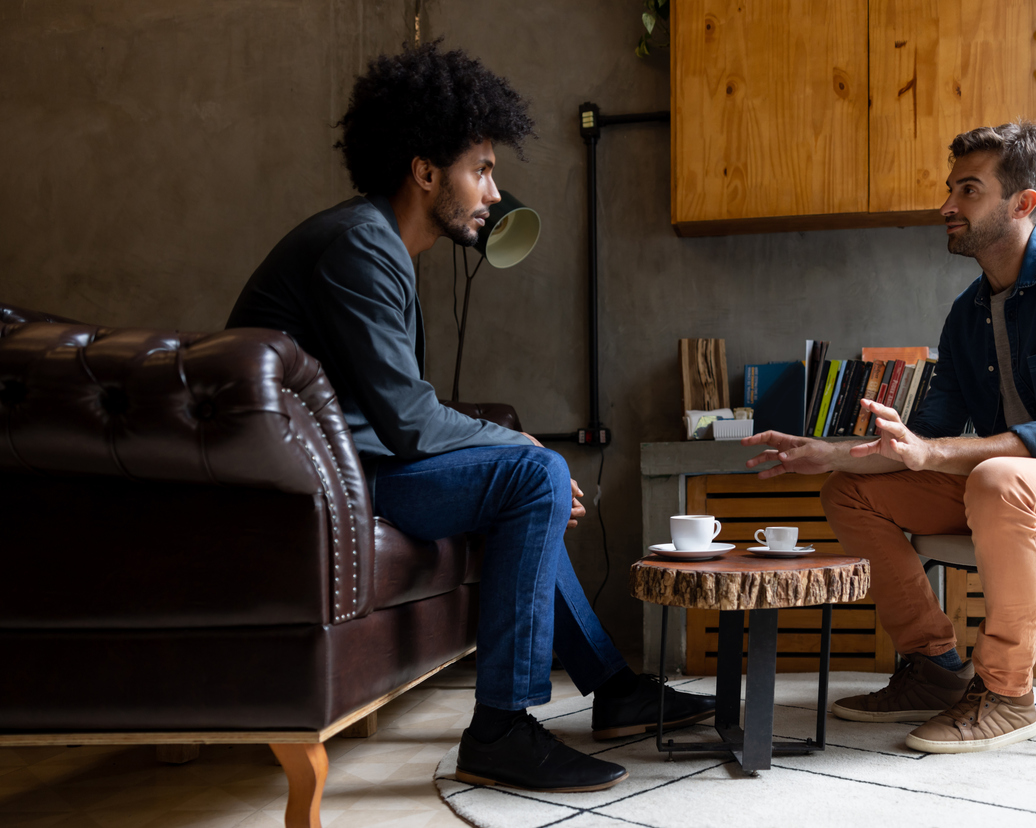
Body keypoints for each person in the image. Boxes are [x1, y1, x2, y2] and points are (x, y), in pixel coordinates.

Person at [227, 42, 713, 792]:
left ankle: (613, 692)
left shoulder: (374, 243)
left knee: (530, 475)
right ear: (426, 171)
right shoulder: (361, 245)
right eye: (480, 168)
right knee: (533, 473)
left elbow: (400, 412)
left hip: (350, 466)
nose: (493, 191)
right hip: (329, 479)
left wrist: (508, 449)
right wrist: (513, 443)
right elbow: (409, 424)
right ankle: (500, 731)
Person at [742, 122, 1036, 754]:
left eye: (969, 191)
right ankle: (932, 667)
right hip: (1014, 488)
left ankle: (1007, 694)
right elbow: (922, 439)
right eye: (951, 188)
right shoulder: (968, 311)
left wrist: (931, 455)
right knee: (849, 492)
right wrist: (826, 453)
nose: (947, 206)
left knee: (997, 479)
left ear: (1024, 203)